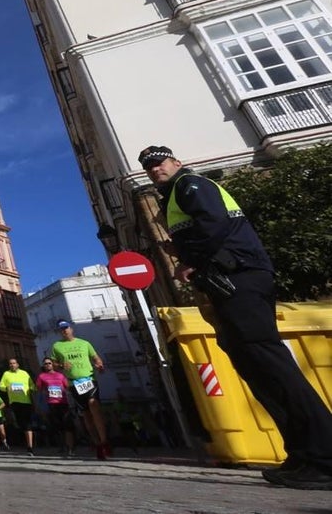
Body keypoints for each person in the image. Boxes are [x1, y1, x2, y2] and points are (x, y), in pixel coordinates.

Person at [140, 144, 332, 490]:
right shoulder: (174, 197)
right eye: (149, 166)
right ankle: (303, 454)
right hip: (228, 282)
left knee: (270, 364)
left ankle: (325, 456)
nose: (155, 169)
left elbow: (213, 225)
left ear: (176, 162)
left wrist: (188, 261)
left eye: (160, 162)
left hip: (239, 278)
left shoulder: (190, 184)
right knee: (257, 371)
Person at [50, 320, 110, 459]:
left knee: (93, 405)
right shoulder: (57, 346)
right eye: (61, 329)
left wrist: (100, 365)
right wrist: (61, 365)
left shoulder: (84, 343)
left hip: (89, 379)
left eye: (66, 328)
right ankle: (97, 444)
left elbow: (96, 358)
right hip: (73, 384)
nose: (64, 331)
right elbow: (54, 363)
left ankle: (105, 441)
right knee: (87, 415)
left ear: (71, 329)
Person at [35, 357, 74, 457]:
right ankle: (62, 446)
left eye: (49, 363)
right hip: (51, 403)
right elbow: (39, 390)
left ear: (53, 364)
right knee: (57, 426)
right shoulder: (41, 376)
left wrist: (71, 402)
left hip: (63, 403)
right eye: (45, 364)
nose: (47, 365)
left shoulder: (60, 375)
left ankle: (70, 448)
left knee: (68, 425)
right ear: (43, 366)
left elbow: (67, 387)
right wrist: (40, 406)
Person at [0, 357, 35, 455]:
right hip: (14, 402)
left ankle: (30, 447)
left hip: (26, 402)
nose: (12, 365)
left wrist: (31, 389)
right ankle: (23, 442)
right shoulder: (6, 374)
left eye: (14, 363)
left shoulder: (24, 373)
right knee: (19, 424)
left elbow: (32, 385)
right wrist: (6, 387)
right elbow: (0, 386)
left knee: (27, 424)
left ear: (17, 364)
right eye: (10, 363)